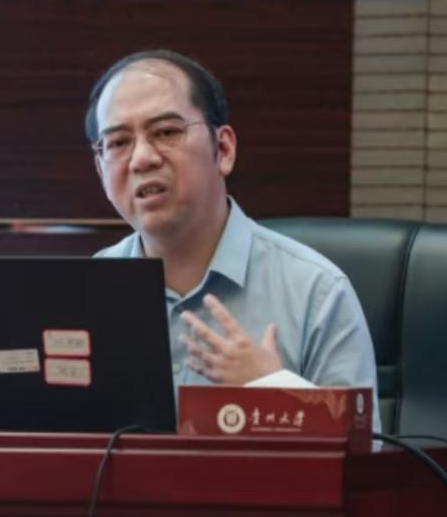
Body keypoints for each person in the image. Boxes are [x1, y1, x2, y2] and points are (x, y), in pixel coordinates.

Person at [86, 49, 381, 431]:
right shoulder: (86, 294)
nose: (141, 159)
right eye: (118, 143)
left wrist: (276, 392)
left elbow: (365, 460)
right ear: (101, 170)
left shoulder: (317, 292)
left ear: (223, 150)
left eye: (166, 132)